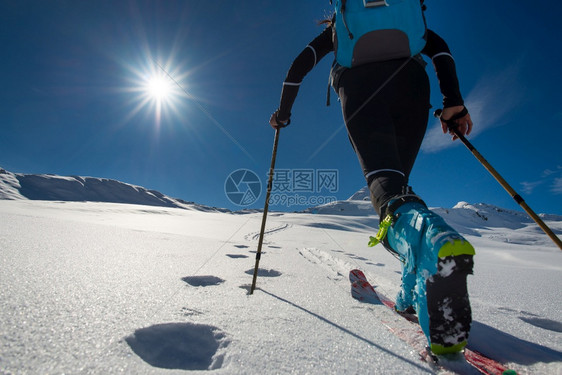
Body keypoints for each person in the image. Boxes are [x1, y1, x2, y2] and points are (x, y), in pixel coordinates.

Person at [269, 3, 475, 355]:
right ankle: (410, 293)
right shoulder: (406, 15)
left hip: (360, 86)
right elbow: (439, 49)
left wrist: (283, 114)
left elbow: (297, 66)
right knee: (399, 189)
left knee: (387, 193)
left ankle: (433, 244)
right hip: (412, 84)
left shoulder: (340, 24)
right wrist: (453, 101)